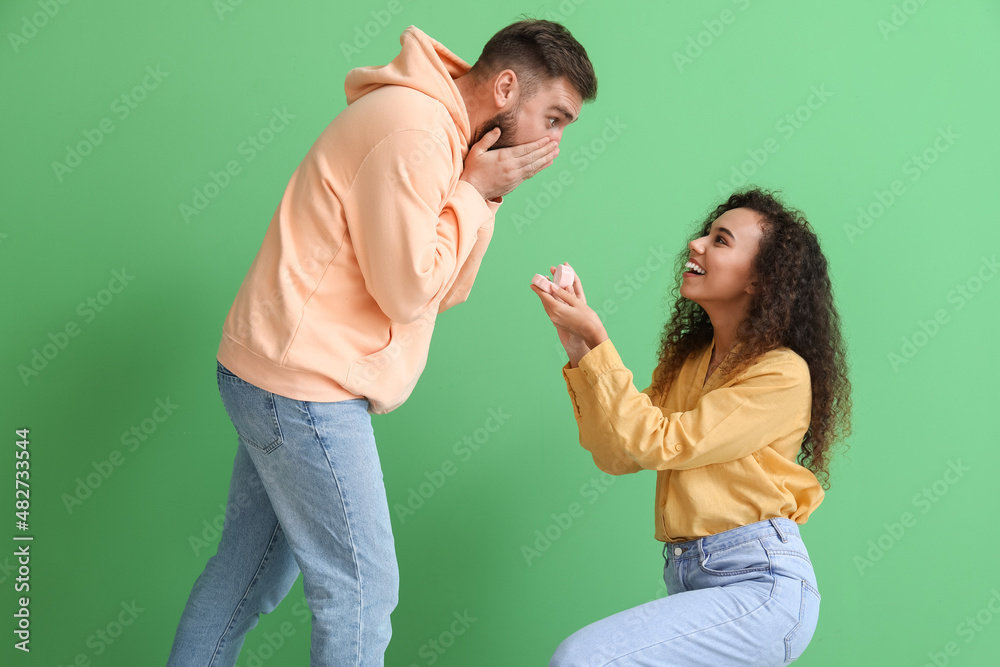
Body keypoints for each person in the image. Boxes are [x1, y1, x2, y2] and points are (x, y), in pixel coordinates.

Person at [167, 19, 597, 667]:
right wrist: (476, 191)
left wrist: (484, 191)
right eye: (555, 118)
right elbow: (407, 291)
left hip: (277, 373)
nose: (554, 143)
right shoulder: (416, 133)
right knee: (362, 593)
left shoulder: (447, 137)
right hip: (305, 386)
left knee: (244, 579)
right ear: (507, 87)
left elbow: (441, 289)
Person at [531, 188, 851, 666]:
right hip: (689, 577)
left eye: (720, 240)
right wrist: (580, 350)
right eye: (706, 233)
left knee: (583, 658)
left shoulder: (781, 373)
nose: (696, 244)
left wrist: (599, 338)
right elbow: (618, 453)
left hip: (759, 584)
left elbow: (657, 441)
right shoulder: (691, 362)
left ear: (761, 280)